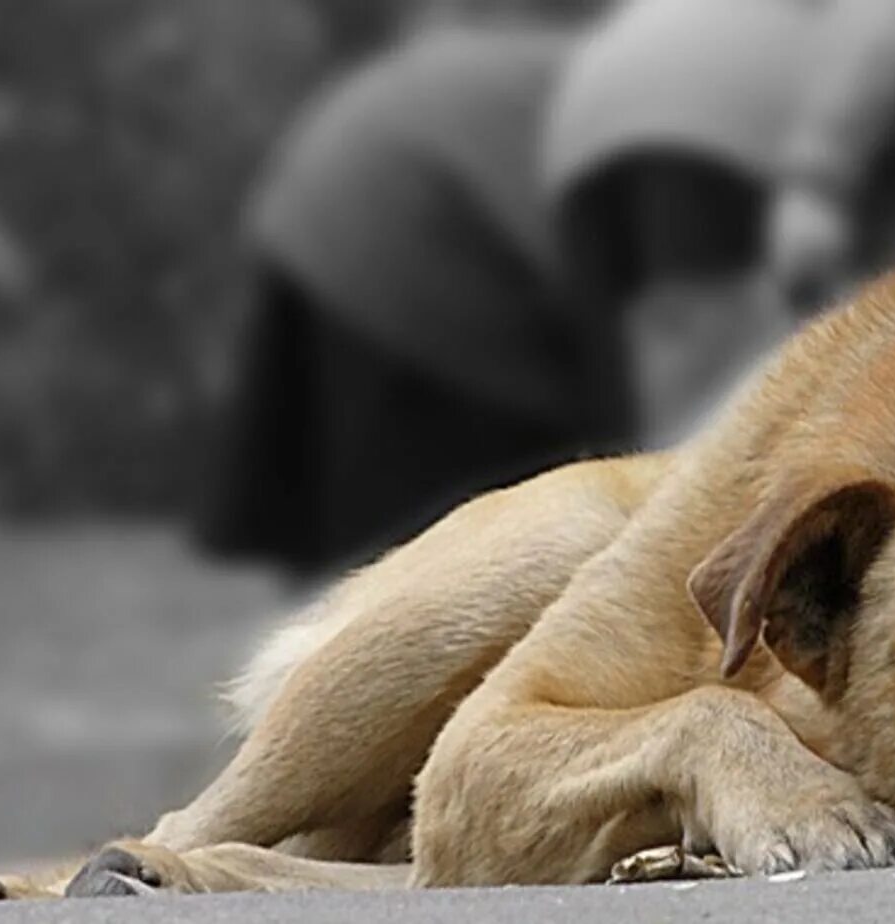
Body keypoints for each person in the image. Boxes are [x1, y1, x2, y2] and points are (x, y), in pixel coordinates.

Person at [195, 23, 630, 581]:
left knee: (356, 560)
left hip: (324, 194)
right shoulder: (667, 137)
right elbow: (624, 332)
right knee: (415, 559)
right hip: (400, 223)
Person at [541, 0, 895, 446]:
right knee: (711, 412)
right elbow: (884, 22)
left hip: (588, 124)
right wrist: (819, 184)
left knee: (641, 419)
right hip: (720, 124)